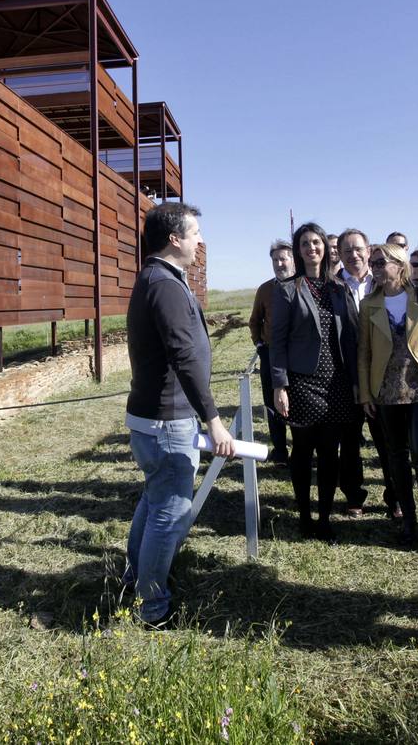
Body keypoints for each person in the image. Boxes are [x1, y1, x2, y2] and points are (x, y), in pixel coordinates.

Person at [124, 202, 234, 626]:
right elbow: (184, 355)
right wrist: (213, 419)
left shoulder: (158, 278)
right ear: (174, 239)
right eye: (196, 233)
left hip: (154, 419)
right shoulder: (165, 284)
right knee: (170, 512)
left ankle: (135, 578)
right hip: (167, 423)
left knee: (156, 501)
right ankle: (152, 608)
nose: (200, 241)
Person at [357, 244, 418, 559]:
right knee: (396, 459)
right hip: (385, 390)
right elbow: (364, 353)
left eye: (381, 262)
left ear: (399, 264)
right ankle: (409, 522)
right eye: (373, 263)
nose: (376, 268)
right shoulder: (370, 304)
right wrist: (366, 393)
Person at [272, 221, 361, 541]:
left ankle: (324, 517)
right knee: (302, 451)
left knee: (329, 452)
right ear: (298, 250)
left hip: (337, 382)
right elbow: (277, 341)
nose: (312, 248)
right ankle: (305, 515)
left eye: (317, 242)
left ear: (326, 248)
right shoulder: (286, 290)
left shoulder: (339, 288)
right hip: (302, 382)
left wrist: (355, 381)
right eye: (305, 243)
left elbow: (350, 338)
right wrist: (280, 386)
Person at [334, 228, 377, 516]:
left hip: (383, 373)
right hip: (346, 373)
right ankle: (353, 495)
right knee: (349, 440)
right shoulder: (332, 287)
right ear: (338, 254)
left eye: (358, 248)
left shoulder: (385, 282)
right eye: (346, 250)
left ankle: (395, 495)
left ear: (369, 250)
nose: (353, 255)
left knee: (387, 439)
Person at [249, 239, 294, 464]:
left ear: (293, 260)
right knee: (272, 403)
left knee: (296, 402)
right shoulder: (265, 290)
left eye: (283, 258)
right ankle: (280, 450)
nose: (279, 263)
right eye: (275, 260)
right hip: (270, 355)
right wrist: (260, 345)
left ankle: (300, 449)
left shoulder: (303, 285)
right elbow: (255, 321)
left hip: (297, 355)